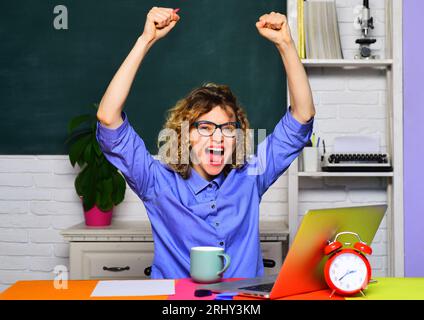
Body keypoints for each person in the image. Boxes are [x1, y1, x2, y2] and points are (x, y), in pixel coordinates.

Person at [96, 7, 315, 279]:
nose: (218, 137)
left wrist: (286, 45)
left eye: (227, 128)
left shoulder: (250, 175)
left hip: (242, 303)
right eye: (205, 127)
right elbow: (108, 118)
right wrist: (145, 40)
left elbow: (302, 116)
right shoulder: (156, 181)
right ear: (186, 134)